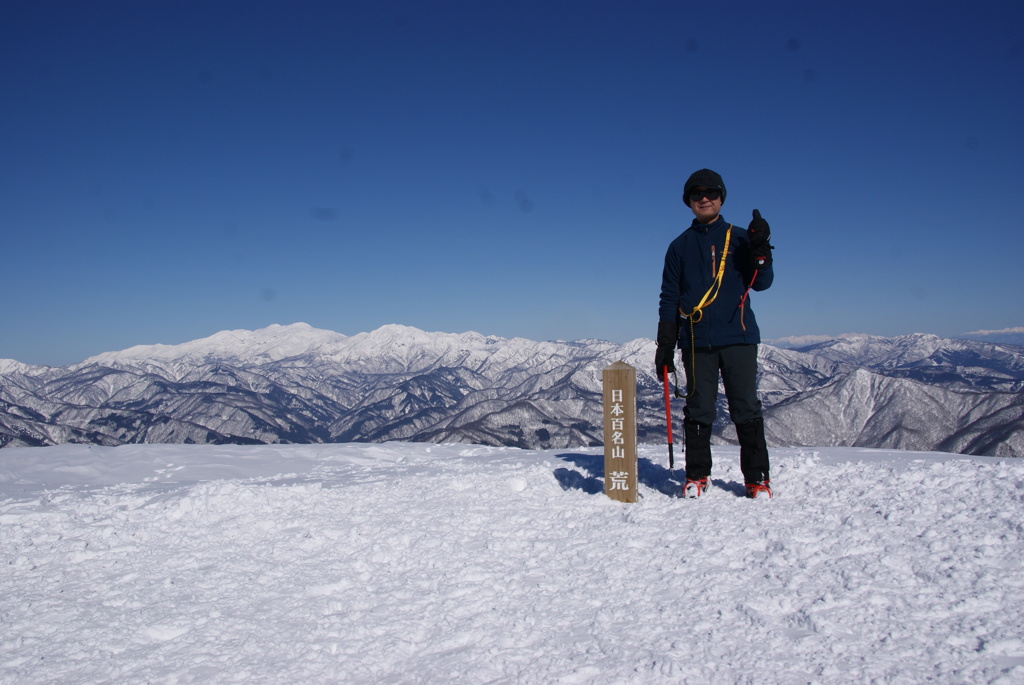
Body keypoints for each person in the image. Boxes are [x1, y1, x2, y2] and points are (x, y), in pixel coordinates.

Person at [655, 168, 775, 499]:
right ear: (688, 202)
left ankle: (757, 477)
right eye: (697, 194)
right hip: (696, 341)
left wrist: (761, 250)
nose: (704, 198)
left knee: (746, 407)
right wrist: (665, 343)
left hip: (738, 337)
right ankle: (696, 475)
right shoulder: (679, 247)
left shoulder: (740, 238)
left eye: (711, 193)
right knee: (698, 409)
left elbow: (762, 283)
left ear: (722, 198)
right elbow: (669, 297)